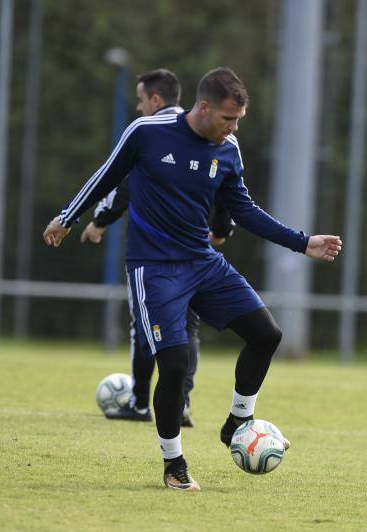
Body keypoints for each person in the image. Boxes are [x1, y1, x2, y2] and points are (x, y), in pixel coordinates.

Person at [43, 67, 342, 491]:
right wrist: (68, 217)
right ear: (203, 108)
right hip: (154, 270)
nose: (234, 128)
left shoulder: (229, 149)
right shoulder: (147, 131)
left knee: (266, 334)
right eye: (228, 119)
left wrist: (303, 241)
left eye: (238, 119)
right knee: (176, 365)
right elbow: (108, 174)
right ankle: (173, 464)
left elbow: (244, 210)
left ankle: (238, 420)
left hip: (203, 263)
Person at [80, 68, 235, 427]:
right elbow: (226, 183)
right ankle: (182, 402)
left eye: (139, 100)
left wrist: (100, 222)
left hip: (156, 259)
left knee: (145, 327)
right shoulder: (203, 134)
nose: (137, 108)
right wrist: (221, 229)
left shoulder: (152, 135)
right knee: (188, 329)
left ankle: (138, 402)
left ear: (155, 99)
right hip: (197, 254)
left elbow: (122, 182)